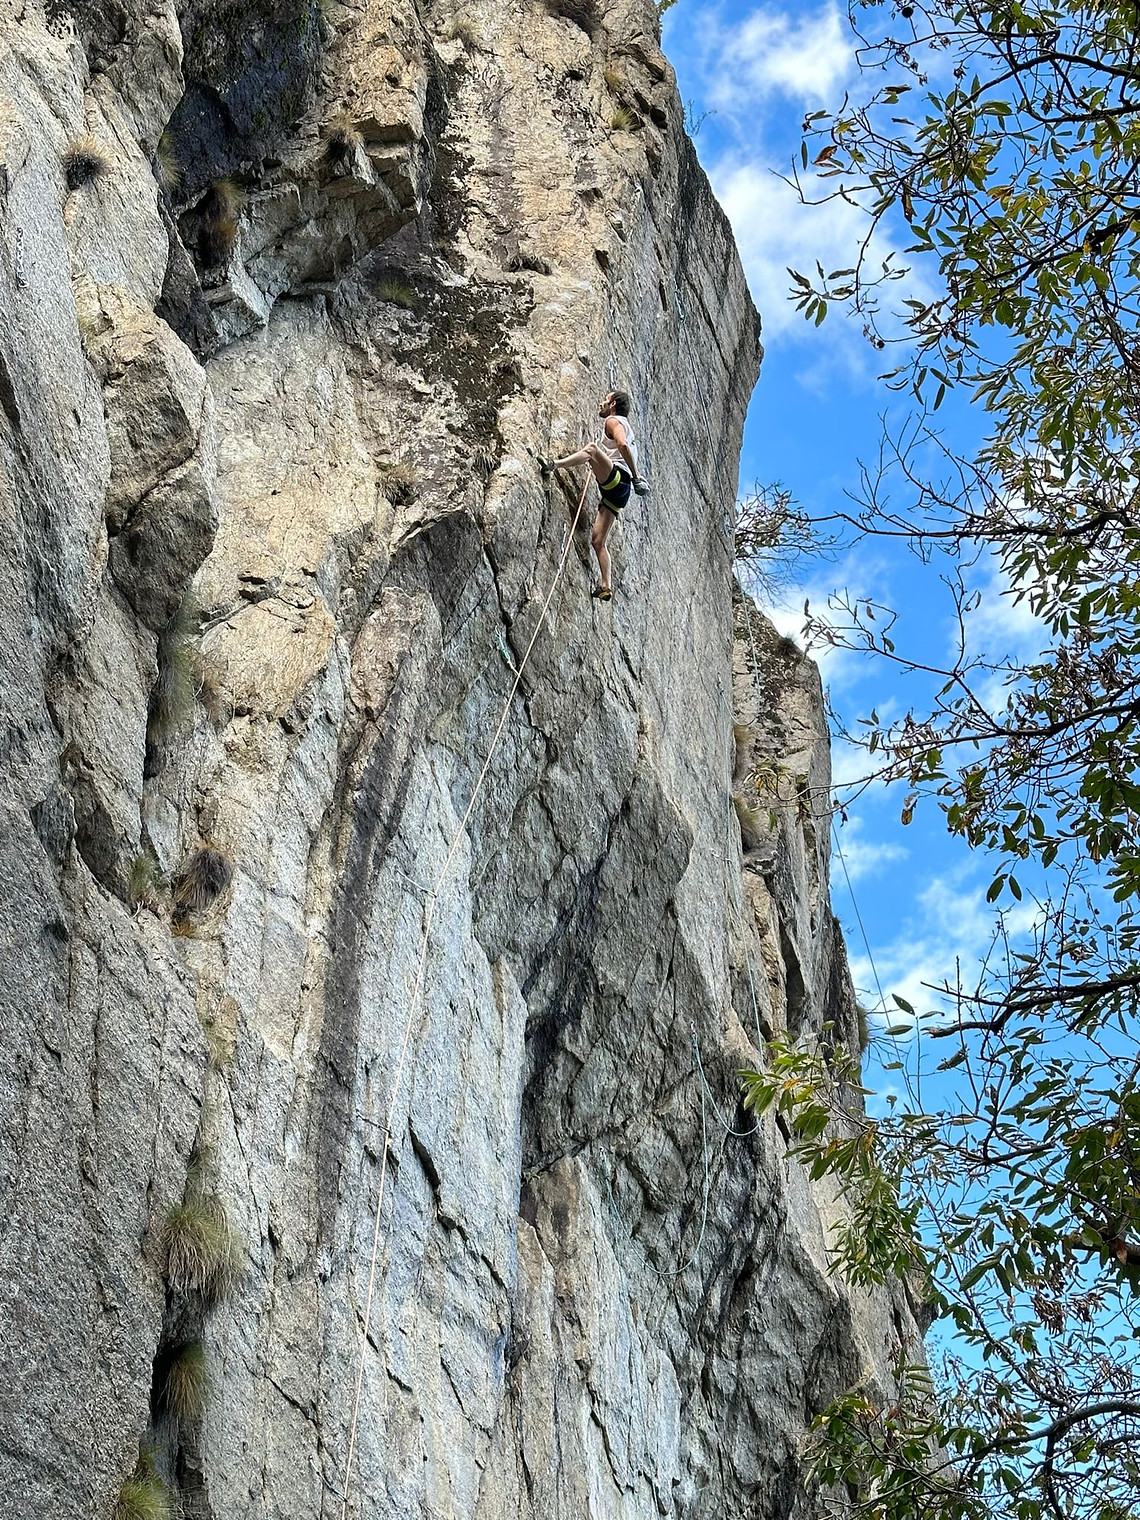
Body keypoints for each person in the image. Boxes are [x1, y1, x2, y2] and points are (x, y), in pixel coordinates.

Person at [538, 390, 649, 601]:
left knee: (591, 450)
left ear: (613, 404)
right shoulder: (626, 425)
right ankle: (606, 586)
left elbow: (622, 445)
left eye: (605, 400)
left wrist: (635, 476)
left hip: (619, 480)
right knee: (598, 541)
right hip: (619, 494)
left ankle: (553, 465)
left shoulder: (613, 421)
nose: (601, 403)